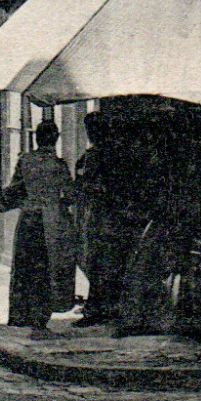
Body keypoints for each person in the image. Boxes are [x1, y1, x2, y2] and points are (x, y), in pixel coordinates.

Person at [0, 120, 76, 331]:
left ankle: (21, 314)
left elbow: (15, 188)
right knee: (46, 267)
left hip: (28, 220)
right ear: (55, 138)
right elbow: (70, 195)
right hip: (50, 223)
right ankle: (40, 316)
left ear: (36, 138)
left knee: (24, 267)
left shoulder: (26, 161)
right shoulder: (59, 166)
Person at [74, 112, 127, 326]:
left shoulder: (99, 155)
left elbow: (91, 184)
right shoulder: (105, 154)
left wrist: (86, 186)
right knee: (103, 260)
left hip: (101, 214)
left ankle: (97, 309)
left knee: (97, 260)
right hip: (106, 214)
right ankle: (105, 306)